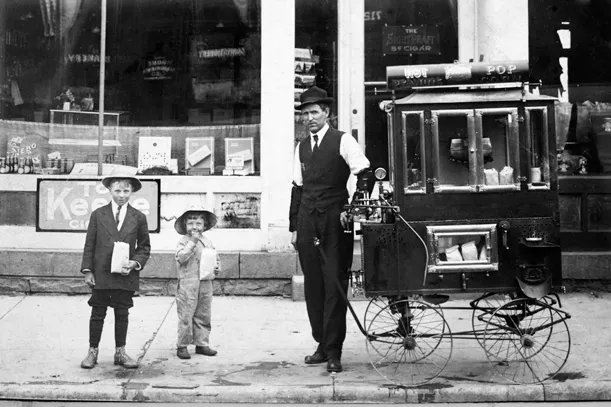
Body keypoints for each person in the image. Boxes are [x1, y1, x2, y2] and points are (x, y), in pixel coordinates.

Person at [289, 86, 374, 373]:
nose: (309, 118)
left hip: (335, 222)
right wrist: (293, 228)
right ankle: (321, 346)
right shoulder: (300, 147)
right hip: (306, 221)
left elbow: (365, 174)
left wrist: (351, 210)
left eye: (314, 112)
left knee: (335, 285)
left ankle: (335, 351)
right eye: (304, 114)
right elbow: (297, 189)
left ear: (327, 113)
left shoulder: (343, 140)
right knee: (313, 286)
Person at [80, 169, 151, 369]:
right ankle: (92, 351)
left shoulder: (138, 217)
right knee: (97, 313)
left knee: (122, 313)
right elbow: (89, 244)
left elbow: (144, 247)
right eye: (117, 190)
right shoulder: (98, 214)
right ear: (109, 189)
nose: (121, 195)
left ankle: (120, 352)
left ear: (132, 192)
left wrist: (135, 263)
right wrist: (87, 270)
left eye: (126, 191)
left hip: (124, 275)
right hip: (101, 274)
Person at [174, 205, 221, 359]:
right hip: (188, 282)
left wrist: (217, 267)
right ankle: (182, 345)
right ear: (185, 225)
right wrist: (192, 242)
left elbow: (215, 256)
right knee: (186, 315)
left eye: (199, 223)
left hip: (205, 282)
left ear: (205, 226)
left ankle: (202, 343)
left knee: (203, 313)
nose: (195, 227)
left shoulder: (208, 241)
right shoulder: (183, 241)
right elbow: (181, 257)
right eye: (191, 223)